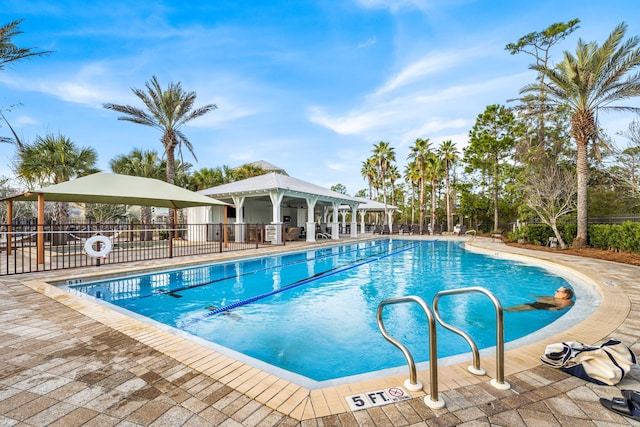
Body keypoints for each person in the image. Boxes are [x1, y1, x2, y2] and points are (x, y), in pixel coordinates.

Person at [504, 287, 575, 312]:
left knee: (528, 306)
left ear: (565, 295)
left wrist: (551, 308)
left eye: (557, 291)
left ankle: (506, 310)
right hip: (541, 305)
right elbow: (543, 297)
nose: (555, 292)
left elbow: (561, 307)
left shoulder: (568, 301)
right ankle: (506, 310)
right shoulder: (554, 297)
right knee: (527, 305)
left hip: (545, 306)